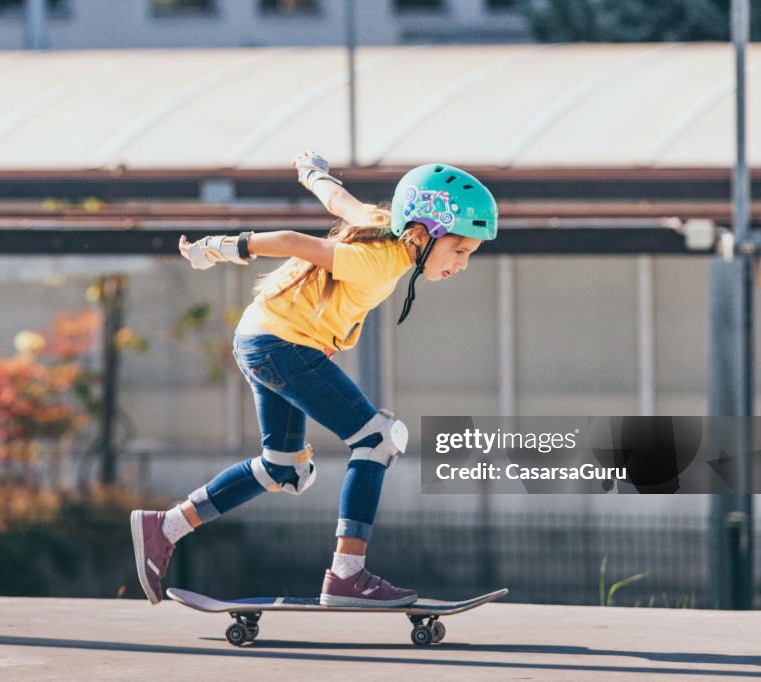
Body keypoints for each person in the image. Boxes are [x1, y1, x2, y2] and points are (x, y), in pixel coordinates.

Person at [131, 151, 498, 607]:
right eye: (459, 250)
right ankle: (348, 575)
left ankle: (164, 527)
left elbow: (337, 201)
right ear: (423, 234)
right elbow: (291, 241)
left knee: (282, 467)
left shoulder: (384, 226)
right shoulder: (377, 262)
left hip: (262, 339)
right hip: (280, 345)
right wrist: (218, 247)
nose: (462, 264)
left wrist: (312, 173)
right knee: (379, 439)